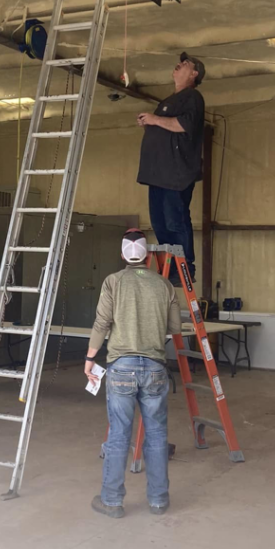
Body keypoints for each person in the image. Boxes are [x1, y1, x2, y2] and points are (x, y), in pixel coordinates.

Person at [84, 229, 182, 518]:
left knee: (119, 435)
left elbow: (102, 323)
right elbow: (175, 328)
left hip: (121, 368)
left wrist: (90, 358)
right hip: (154, 368)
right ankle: (159, 500)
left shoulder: (113, 282)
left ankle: (112, 502)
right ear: (146, 255)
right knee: (156, 434)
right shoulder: (164, 284)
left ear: (123, 253)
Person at [136, 52, 206, 283]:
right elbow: (166, 130)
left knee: (175, 220)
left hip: (176, 174)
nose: (179, 65)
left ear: (194, 73)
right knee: (159, 222)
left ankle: (186, 266)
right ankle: (171, 266)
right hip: (158, 173)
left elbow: (183, 125)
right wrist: (150, 124)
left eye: (185, 64)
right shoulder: (167, 102)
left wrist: (154, 120)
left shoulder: (192, 97)